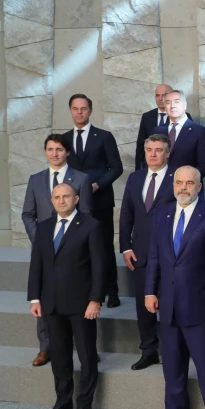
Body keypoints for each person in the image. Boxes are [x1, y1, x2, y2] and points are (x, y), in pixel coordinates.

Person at [145, 166, 205, 409]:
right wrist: (150, 290)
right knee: (172, 363)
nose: (183, 187)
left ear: (199, 186)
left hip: (202, 303)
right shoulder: (162, 214)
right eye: (179, 183)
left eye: (189, 183)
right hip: (168, 303)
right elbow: (155, 257)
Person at [27, 183, 105, 409]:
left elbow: (100, 267)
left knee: (86, 355)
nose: (62, 201)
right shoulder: (44, 227)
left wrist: (95, 300)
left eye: (66, 197)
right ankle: (62, 403)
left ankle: (84, 404)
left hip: (81, 304)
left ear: (77, 198)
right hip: (51, 304)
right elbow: (36, 264)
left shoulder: (91, 226)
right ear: (52, 200)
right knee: (59, 356)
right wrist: (35, 297)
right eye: (57, 197)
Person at [21, 134, 93, 367]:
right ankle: (45, 348)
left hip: (73, 251)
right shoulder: (36, 179)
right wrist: (42, 241)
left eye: (59, 149)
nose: (55, 153)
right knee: (44, 296)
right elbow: (28, 214)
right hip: (45, 250)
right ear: (45, 152)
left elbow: (87, 215)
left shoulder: (81, 179)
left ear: (67, 152)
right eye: (50, 149)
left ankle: (83, 348)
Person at [119, 134, 176, 371]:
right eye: (149, 149)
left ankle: (174, 350)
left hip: (171, 253)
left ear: (168, 152)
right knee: (144, 305)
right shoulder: (135, 178)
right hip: (140, 253)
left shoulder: (179, 178)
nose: (153, 154)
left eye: (158, 150)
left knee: (172, 304)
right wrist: (126, 246)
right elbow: (126, 214)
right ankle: (149, 350)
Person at [61, 94, 124, 308]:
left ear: (90, 111)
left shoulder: (104, 137)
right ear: (70, 111)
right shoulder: (63, 139)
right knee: (78, 248)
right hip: (73, 204)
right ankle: (86, 291)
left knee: (104, 247)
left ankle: (112, 291)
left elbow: (116, 168)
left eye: (84, 108)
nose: (80, 112)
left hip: (100, 201)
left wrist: (98, 185)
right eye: (75, 108)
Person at [156, 90, 205, 180]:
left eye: (177, 102)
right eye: (168, 103)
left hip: (188, 188)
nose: (172, 106)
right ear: (165, 107)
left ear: (185, 105)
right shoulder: (157, 131)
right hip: (160, 187)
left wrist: (186, 181)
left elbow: (204, 164)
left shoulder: (199, 131)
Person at [135, 84, 192, 168]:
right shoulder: (147, 116)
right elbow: (141, 145)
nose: (160, 99)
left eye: (164, 95)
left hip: (179, 169)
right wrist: (139, 171)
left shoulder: (184, 116)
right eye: (157, 95)